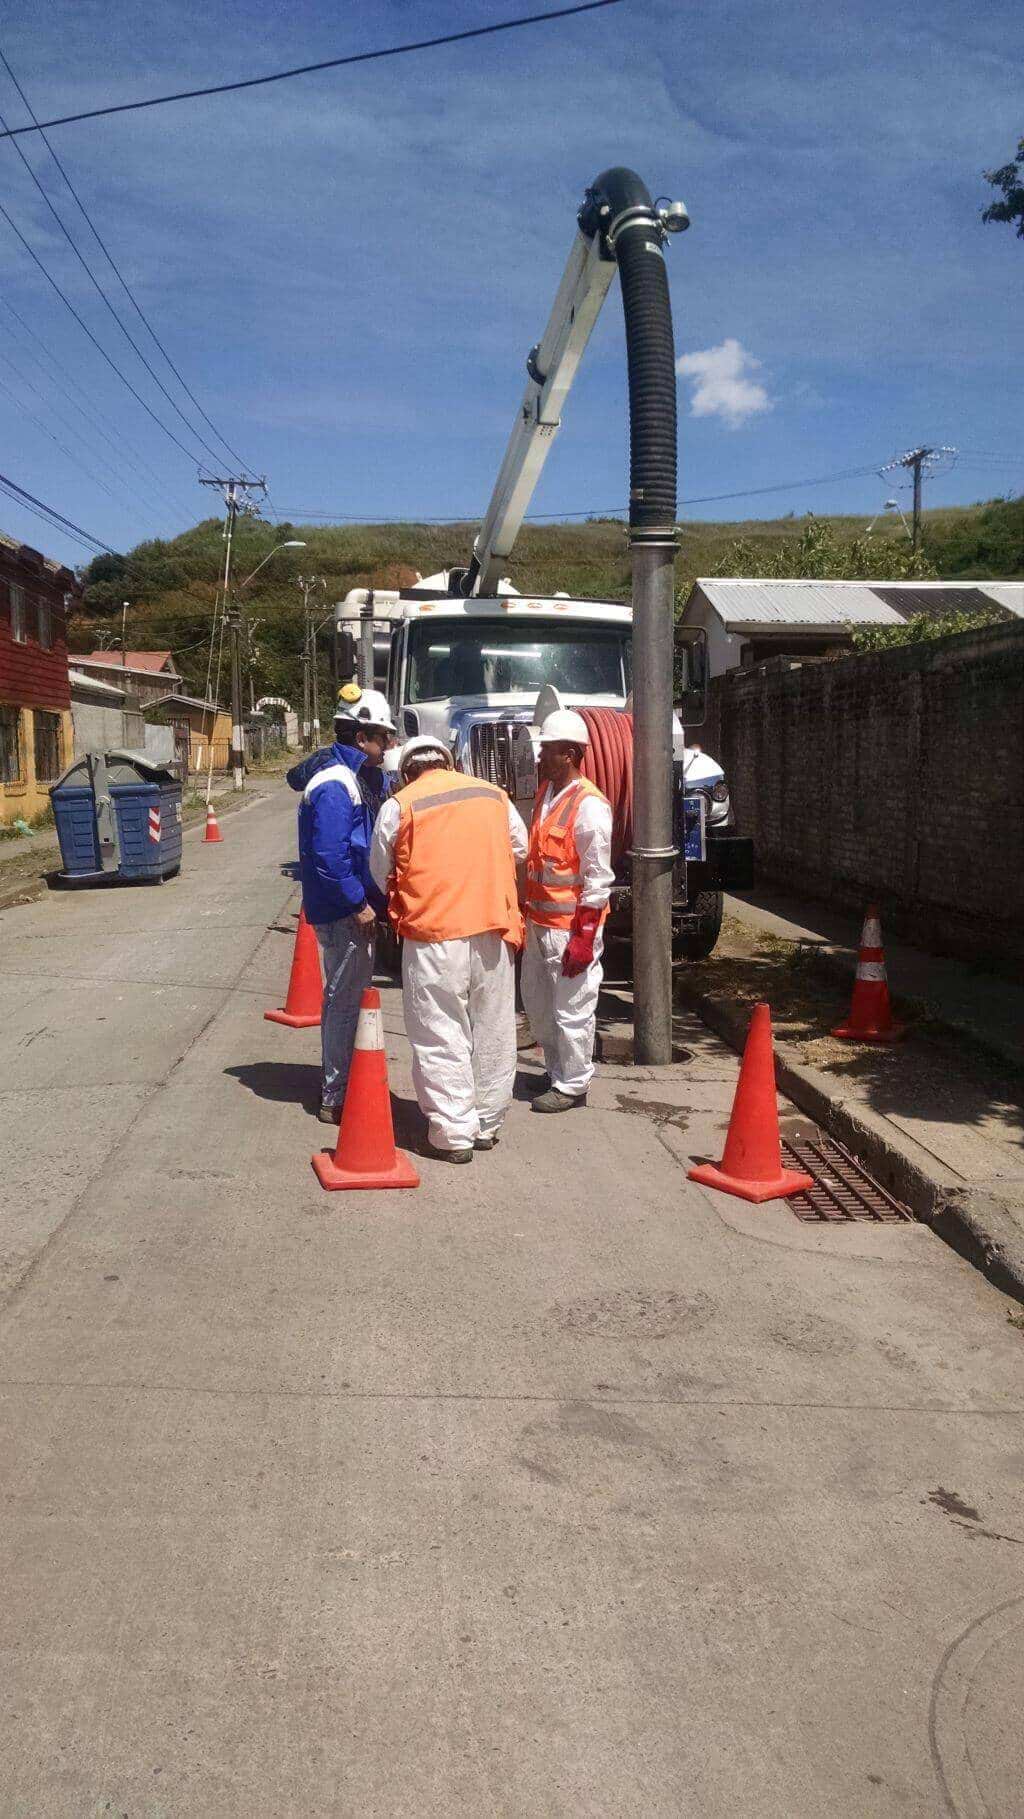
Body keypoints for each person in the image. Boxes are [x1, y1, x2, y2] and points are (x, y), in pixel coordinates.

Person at [370, 734, 528, 1162]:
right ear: (449, 762)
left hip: (433, 936)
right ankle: (487, 1123)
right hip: (493, 927)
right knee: (493, 1027)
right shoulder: (493, 796)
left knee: (441, 1032)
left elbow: (379, 867)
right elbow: (521, 847)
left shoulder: (399, 805)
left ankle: (453, 1132)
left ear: (406, 771)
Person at [296, 686, 397, 1123]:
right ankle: (336, 1095)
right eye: (382, 737)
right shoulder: (336, 785)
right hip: (343, 911)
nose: (388, 745)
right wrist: (360, 904)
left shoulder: (354, 777)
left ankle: (342, 1083)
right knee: (343, 998)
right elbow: (330, 856)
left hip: (347, 904)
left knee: (348, 996)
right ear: (361, 737)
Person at [520, 709, 614, 1114]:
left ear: (571, 754)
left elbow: (598, 879)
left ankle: (573, 1085)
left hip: (569, 928)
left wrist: (584, 936)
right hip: (539, 923)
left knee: (573, 1008)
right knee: (539, 1005)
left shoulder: (590, 807)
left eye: (549, 750)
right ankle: (556, 1071)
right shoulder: (546, 794)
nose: (541, 756)